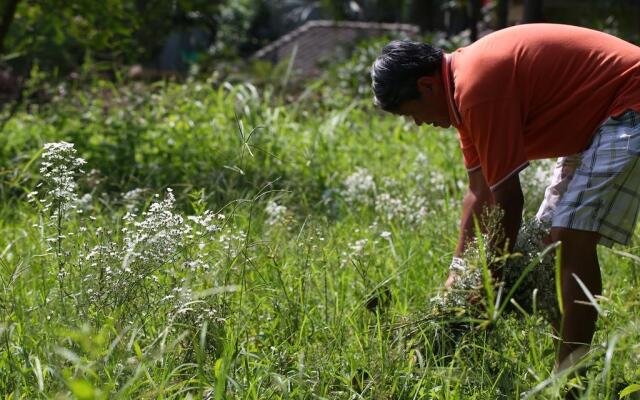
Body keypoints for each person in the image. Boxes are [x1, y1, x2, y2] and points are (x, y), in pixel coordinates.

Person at [370, 23, 640, 374]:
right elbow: (478, 192)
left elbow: (509, 200)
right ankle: (573, 373)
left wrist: (490, 279)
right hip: (598, 122)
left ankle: (571, 380)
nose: (418, 123)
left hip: (628, 105)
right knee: (548, 248)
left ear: (426, 85)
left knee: (569, 236)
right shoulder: (461, 89)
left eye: (411, 113)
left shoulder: (476, 87)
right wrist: (459, 274)